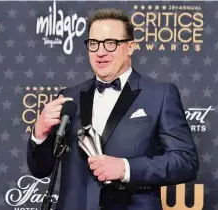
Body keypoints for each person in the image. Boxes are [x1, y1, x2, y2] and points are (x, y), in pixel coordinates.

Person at [27, 8, 199, 210]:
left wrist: (126, 168)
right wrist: (39, 134)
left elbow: (186, 162)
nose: (100, 52)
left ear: (131, 47)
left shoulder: (160, 94)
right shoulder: (69, 97)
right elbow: (41, 169)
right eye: (94, 44)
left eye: (111, 43)